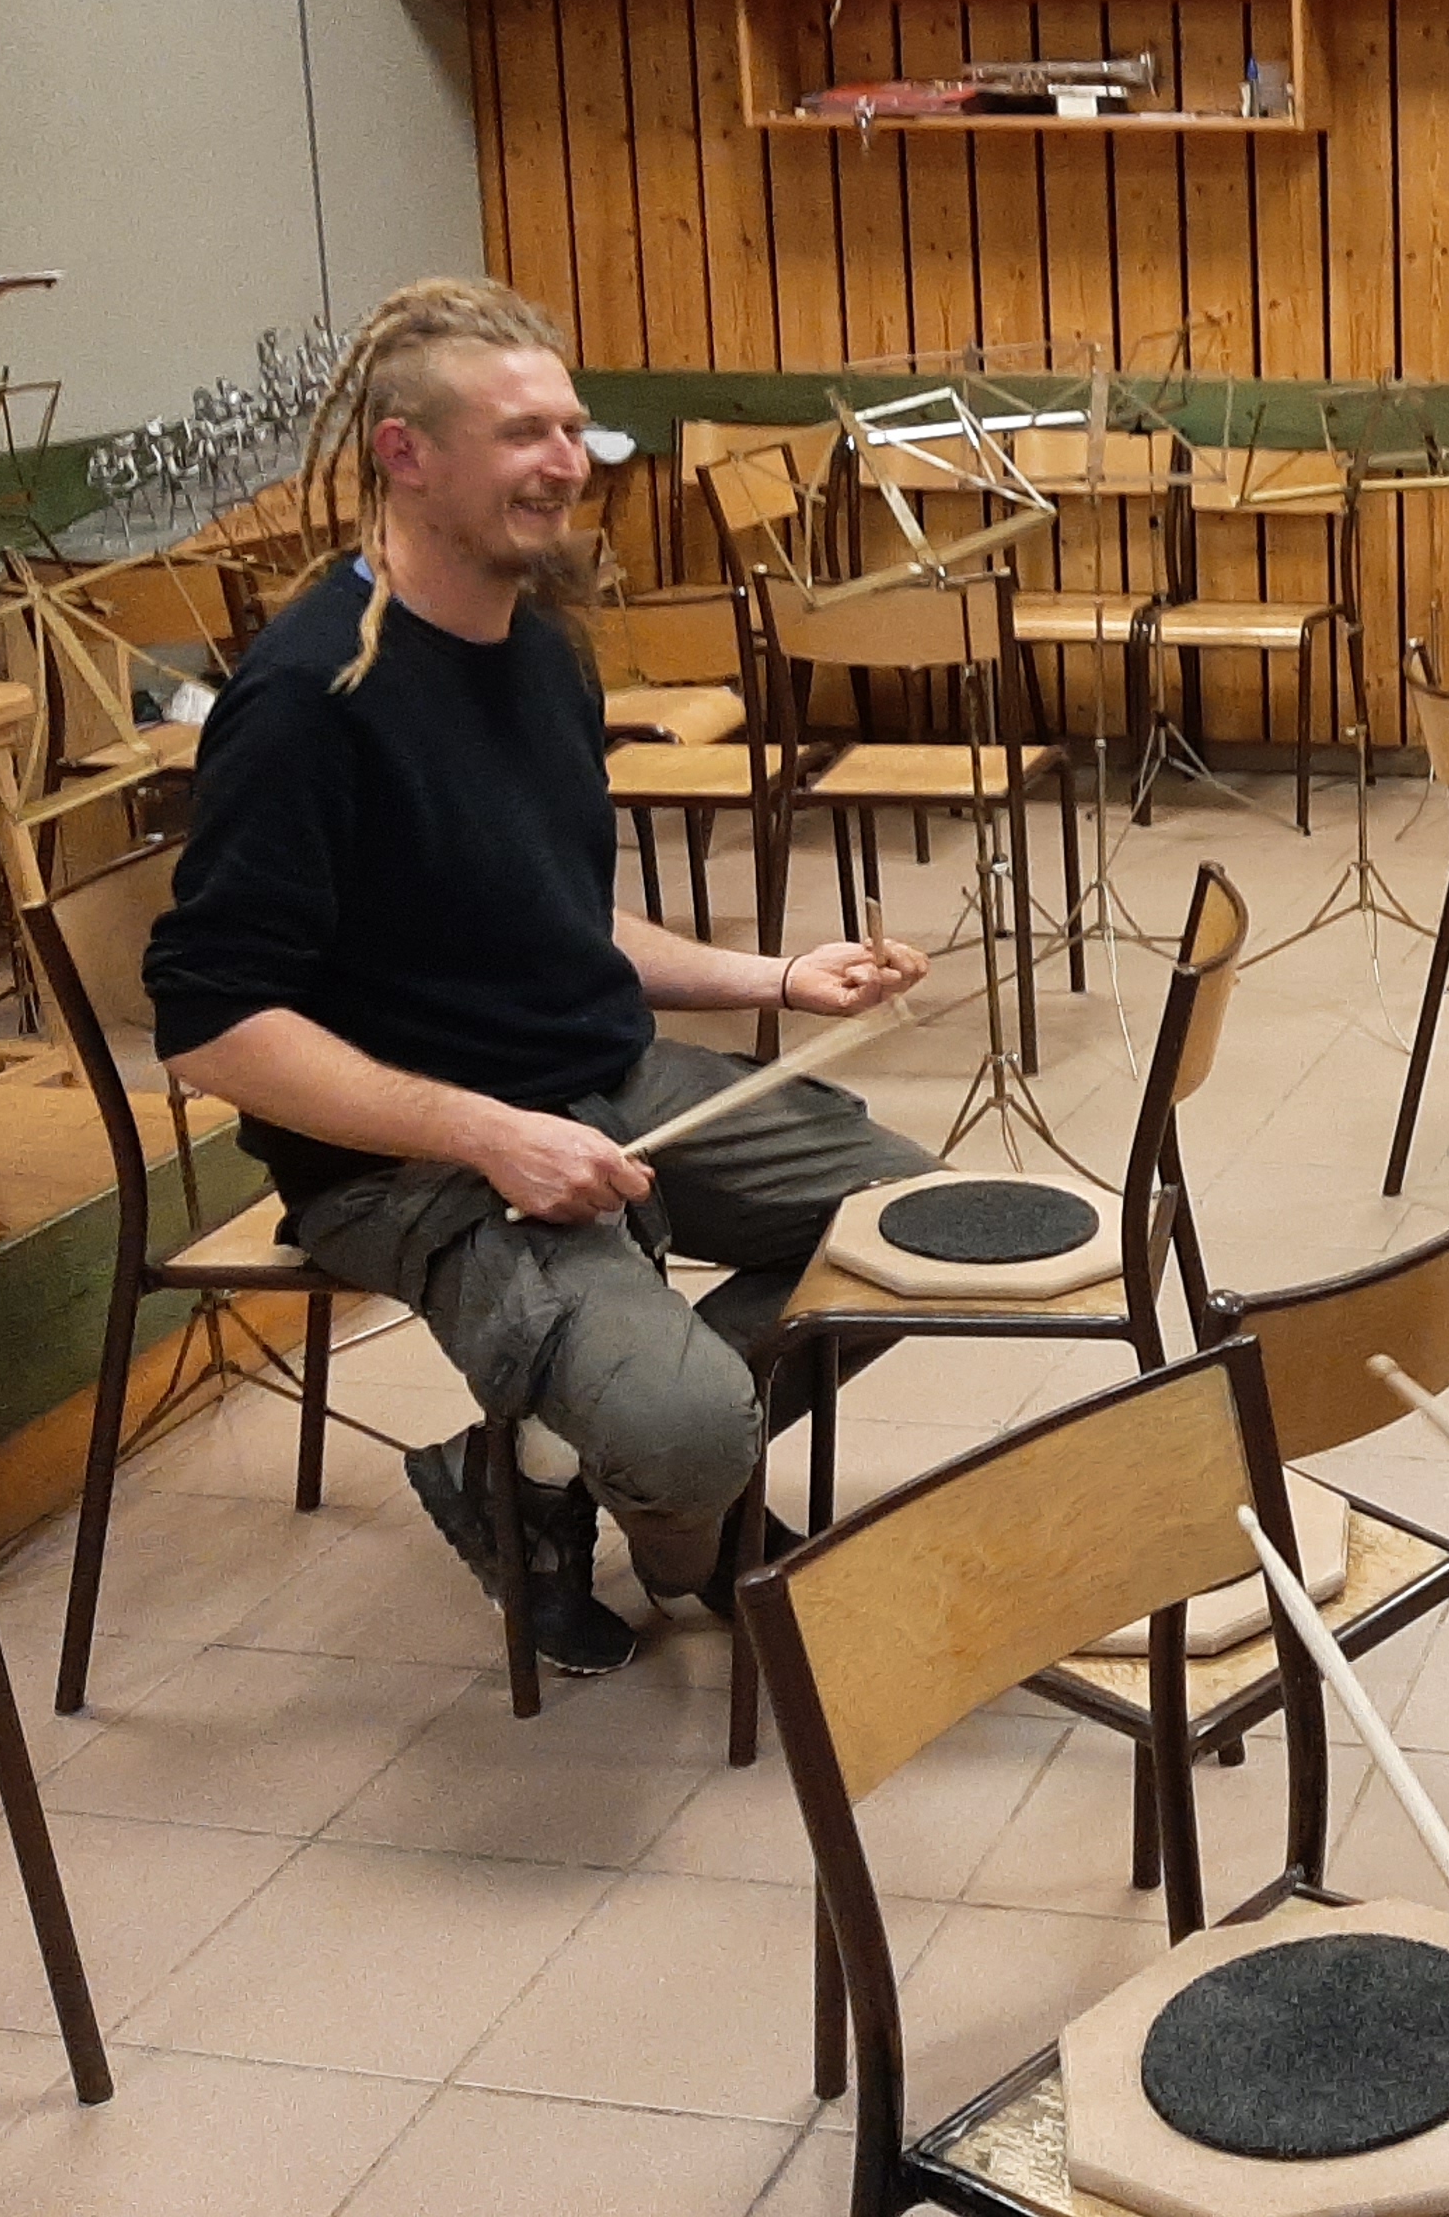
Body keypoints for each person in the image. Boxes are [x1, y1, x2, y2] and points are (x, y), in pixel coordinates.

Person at [147, 278, 935, 1676]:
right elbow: (210, 1026)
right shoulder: (307, 698)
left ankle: (534, 1467)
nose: (568, 464)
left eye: (573, 429)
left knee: (921, 1234)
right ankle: (672, 1476)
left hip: (602, 1078)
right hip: (410, 1160)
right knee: (688, 1429)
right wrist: (487, 1133)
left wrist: (779, 974)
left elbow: (558, 916)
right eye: (523, 434)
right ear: (406, 454)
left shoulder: (541, 649)